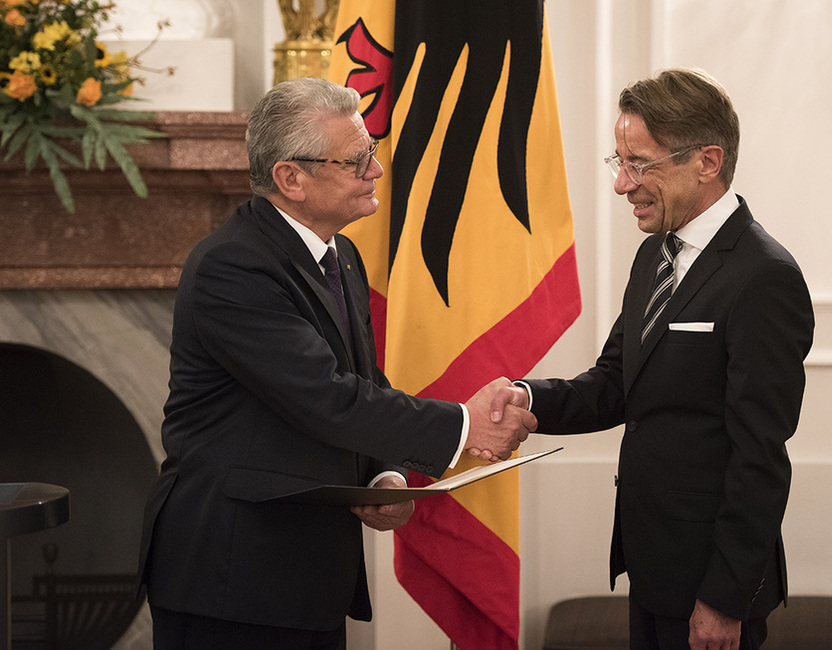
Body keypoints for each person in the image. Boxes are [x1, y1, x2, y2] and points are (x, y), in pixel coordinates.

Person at [138, 77, 535, 650]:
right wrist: (465, 424)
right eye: (356, 161)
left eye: (371, 152)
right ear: (290, 178)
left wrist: (383, 476)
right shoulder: (233, 267)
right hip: (233, 574)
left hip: (308, 572)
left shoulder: (339, 253)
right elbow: (324, 397)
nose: (375, 171)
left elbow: (361, 382)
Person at [484, 68, 815, 649]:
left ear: (706, 162)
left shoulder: (764, 277)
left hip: (709, 589)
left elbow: (759, 455)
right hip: (652, 569)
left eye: (639, 163)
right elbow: (615, 384)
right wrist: (528, 400)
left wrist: (722, 599)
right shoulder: (654, 256)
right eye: (620, 163)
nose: (622, 184)